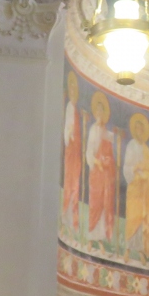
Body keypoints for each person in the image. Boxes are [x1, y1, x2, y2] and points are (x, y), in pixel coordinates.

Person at [84, 92, 116, 248]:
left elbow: (110, 155)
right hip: (96, 172)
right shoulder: (92, 130)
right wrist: (97, 162)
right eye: (97, 111)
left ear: (105, 114)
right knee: (94, 204)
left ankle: (100, 239)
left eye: (102, 111)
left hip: (105, 174)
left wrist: (106, 161)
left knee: (104, 204)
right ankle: (91, 238)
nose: (99, 114)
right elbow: (89, 152)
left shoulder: (108, 134)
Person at [123, 114, 149, 256]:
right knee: (132, 217)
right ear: (134, 130)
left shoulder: (146, 149)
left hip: (144, 189)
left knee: (142, 219)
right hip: (134, 187)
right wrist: (136, 170)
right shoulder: (131, 145)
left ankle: (141, 250)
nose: (139, 131)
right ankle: (128, 249)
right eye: (137, 128)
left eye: (141, 129)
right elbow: (127, 166)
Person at [63, 73, 82, 230]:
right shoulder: (69, 107)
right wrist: (71, 136)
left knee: (75, 183)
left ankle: (72, 220)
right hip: (71, 151)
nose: (74, 93)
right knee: (70, 182)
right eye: (72, 90)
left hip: (76, 152)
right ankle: (67, 218)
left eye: (76, 90)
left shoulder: (75, 109)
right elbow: (68, 130)